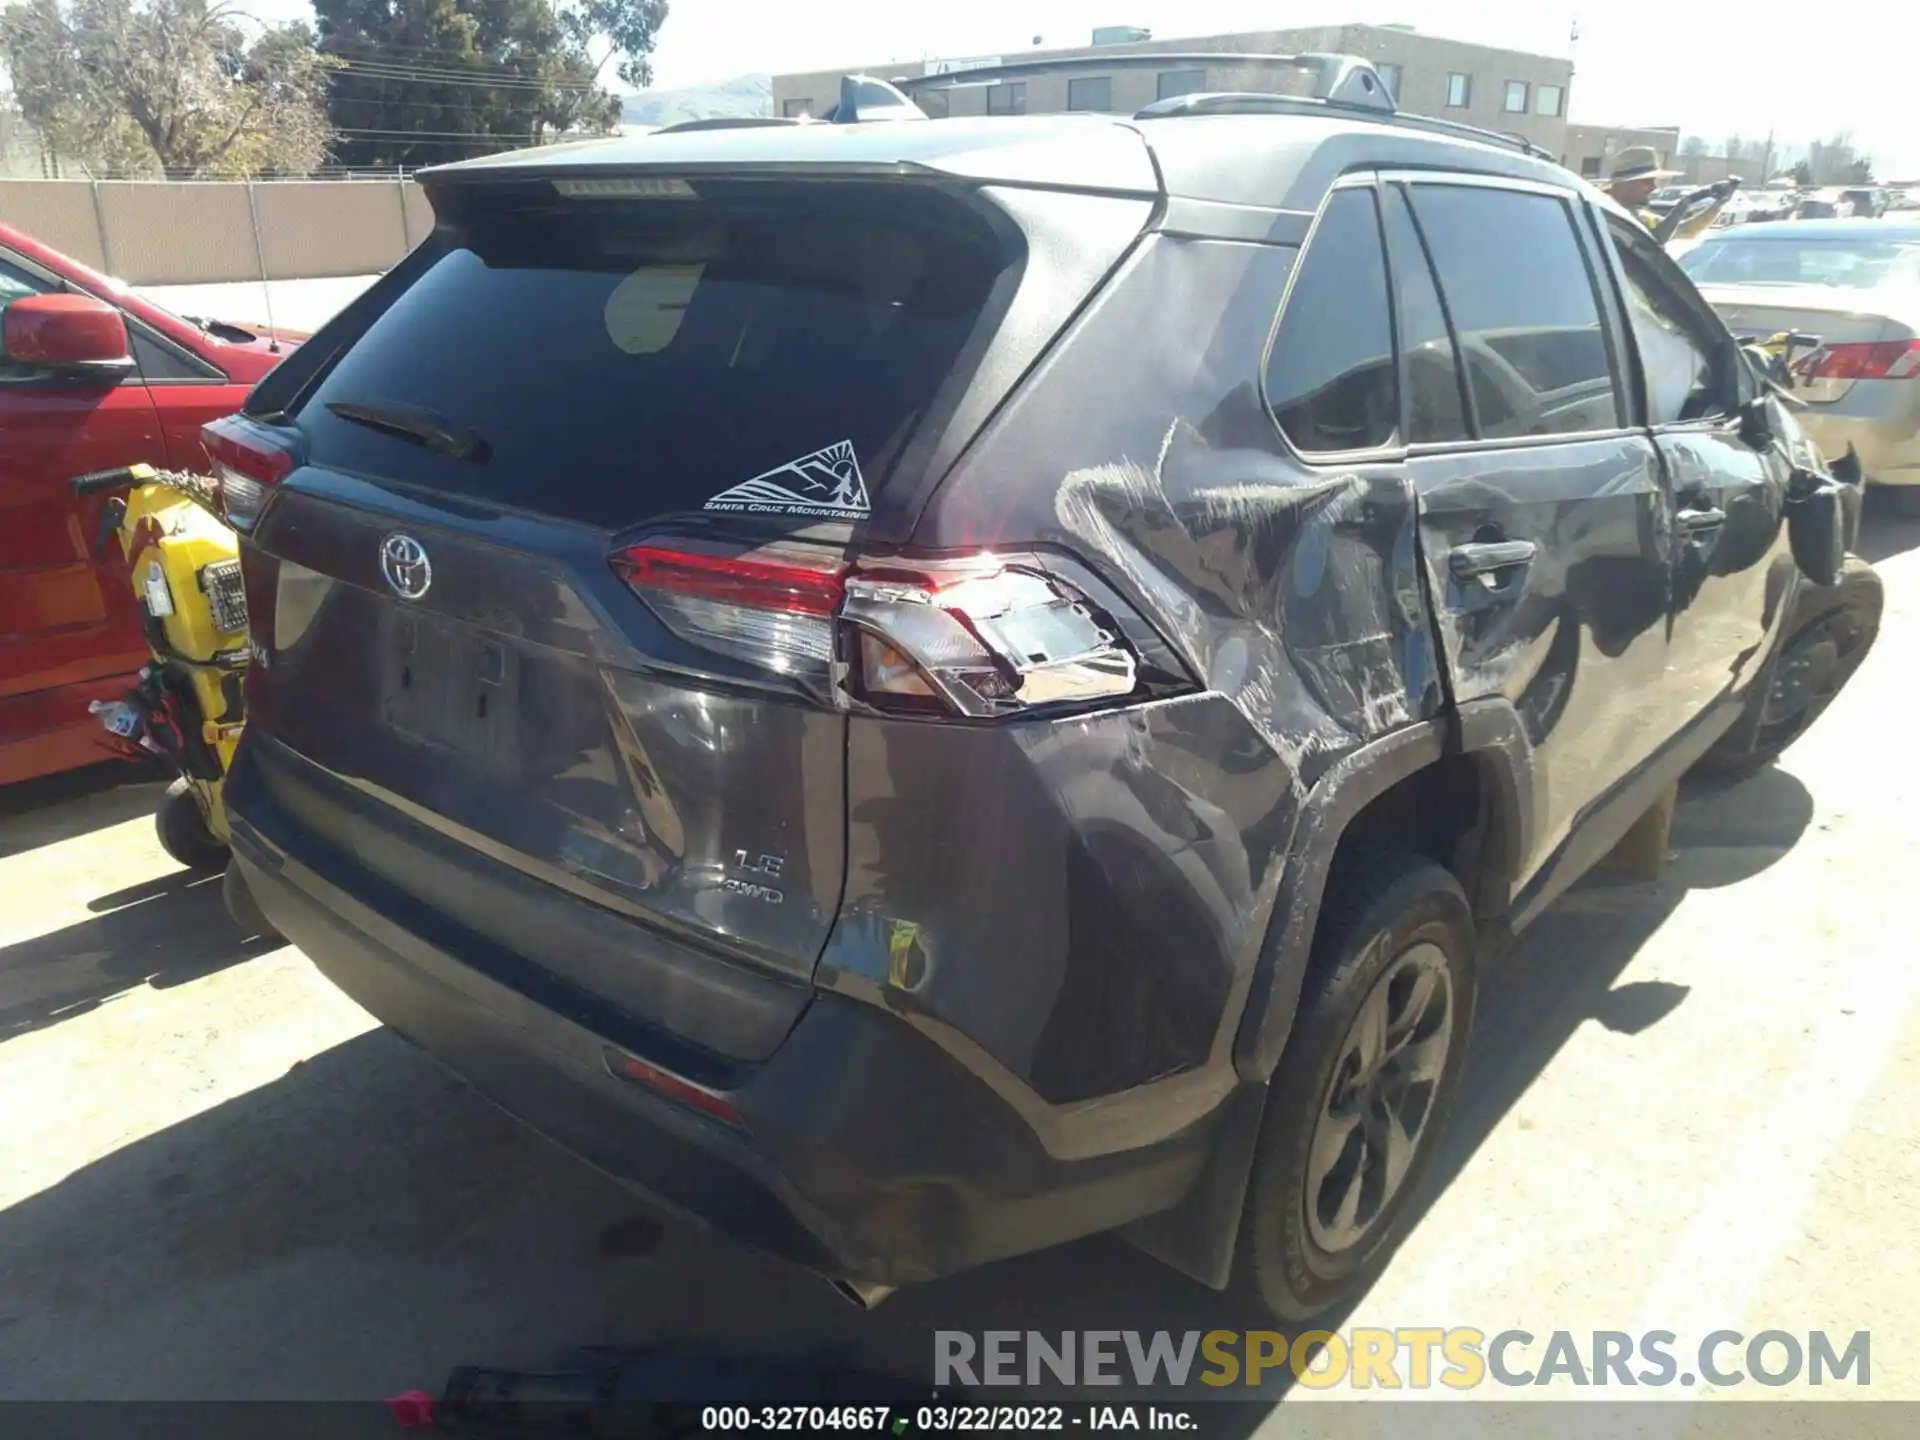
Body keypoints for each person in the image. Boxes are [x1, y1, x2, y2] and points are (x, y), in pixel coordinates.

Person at [1604, 146, 1735, 243]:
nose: (1653, 187)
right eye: (1646, 181)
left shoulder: (1645, 219)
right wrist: (1683, 205)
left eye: (1653, 180)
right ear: (1626, 183)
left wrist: (1718, 204)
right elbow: (1655, 241)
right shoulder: (1597, 216)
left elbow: (1687, 231)